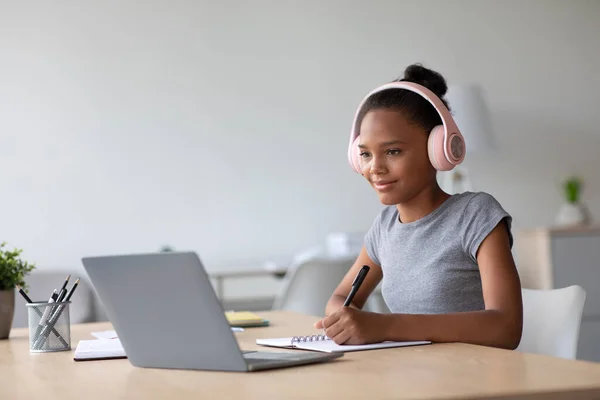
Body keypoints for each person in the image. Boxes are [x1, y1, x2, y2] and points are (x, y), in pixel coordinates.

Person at [314, 64, 523, 350]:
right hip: (411, 375)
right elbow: (338, 299)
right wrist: (343, 318)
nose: (375, 167)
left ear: (437, 149)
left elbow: (505, 328)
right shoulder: (385, 226)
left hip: (471, 380)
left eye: (393, 151)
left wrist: (385, 325)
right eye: (365, 154)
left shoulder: (475, 215)